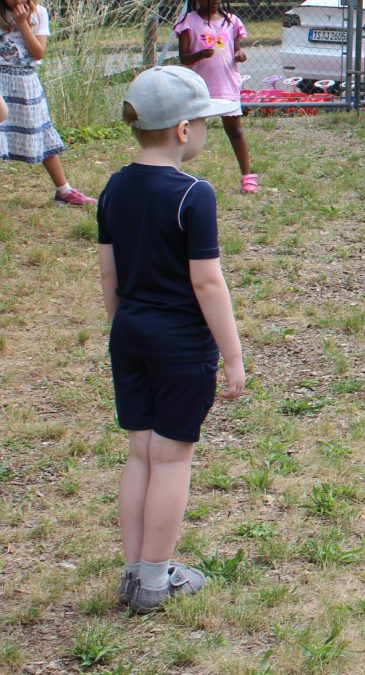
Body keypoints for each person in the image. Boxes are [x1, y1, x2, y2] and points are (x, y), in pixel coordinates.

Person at [97, 67, 245, 614]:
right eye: (204, 121)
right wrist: (232, 356)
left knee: (141, 453)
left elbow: (108, 275)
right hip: (180, 345)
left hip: (130, 333)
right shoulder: (193, 195)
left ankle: (134, 572)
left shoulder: (114, 186)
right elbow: (207, 282)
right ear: (184, 130)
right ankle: (156, 580)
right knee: (173, 457)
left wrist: (123, 328)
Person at [0, 0, 94, 205]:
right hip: (0, 82)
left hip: (26, 84)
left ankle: (63, 190)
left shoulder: (38, 14)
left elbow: (38, 52)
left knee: (41, 134)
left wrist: (22, 24)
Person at [173, 0, 256, 193]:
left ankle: (247, 176)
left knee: (235, 131)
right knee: (186, 133)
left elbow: (236, 50)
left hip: (226, 87)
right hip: (198, 90)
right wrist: (199, 54)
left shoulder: (231, 21)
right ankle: (172, 174)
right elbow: (184, 58)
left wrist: (239, 54)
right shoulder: (188, 22)